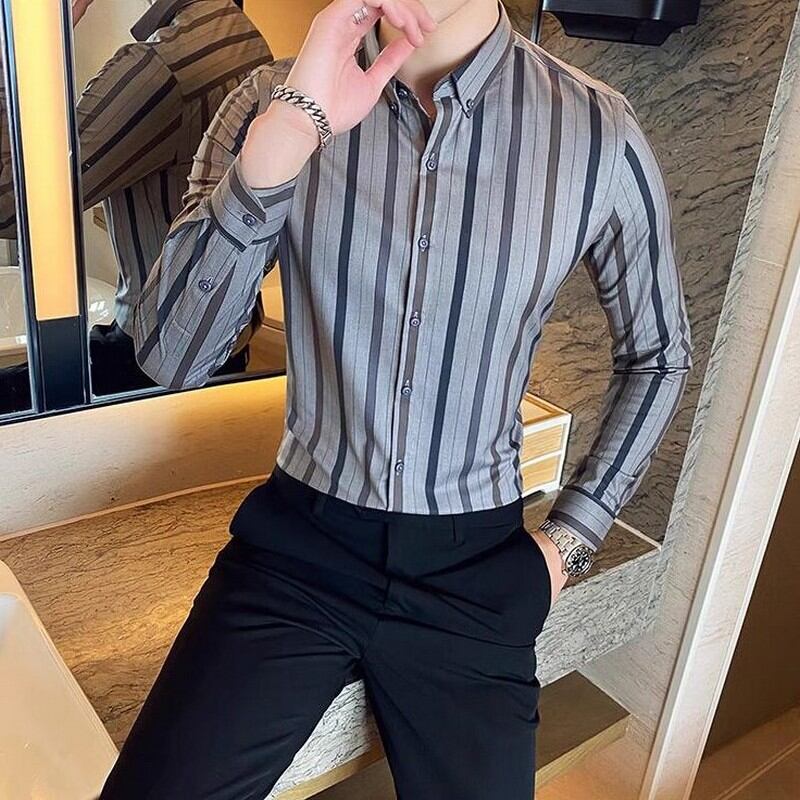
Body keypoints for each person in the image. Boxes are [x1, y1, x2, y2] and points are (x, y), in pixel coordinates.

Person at [100, 0, 694, 797]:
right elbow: (173, 358)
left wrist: (570, 544)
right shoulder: (269, 103)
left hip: (475, 573)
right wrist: (292, 130)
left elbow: (661, 354)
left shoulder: (597, 129)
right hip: (296, 552)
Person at [0, 0, 275, 395]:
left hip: (155, 357)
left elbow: (11, 205)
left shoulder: (162, 67)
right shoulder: (243, 34)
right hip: (223, 336)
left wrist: (13, 49)